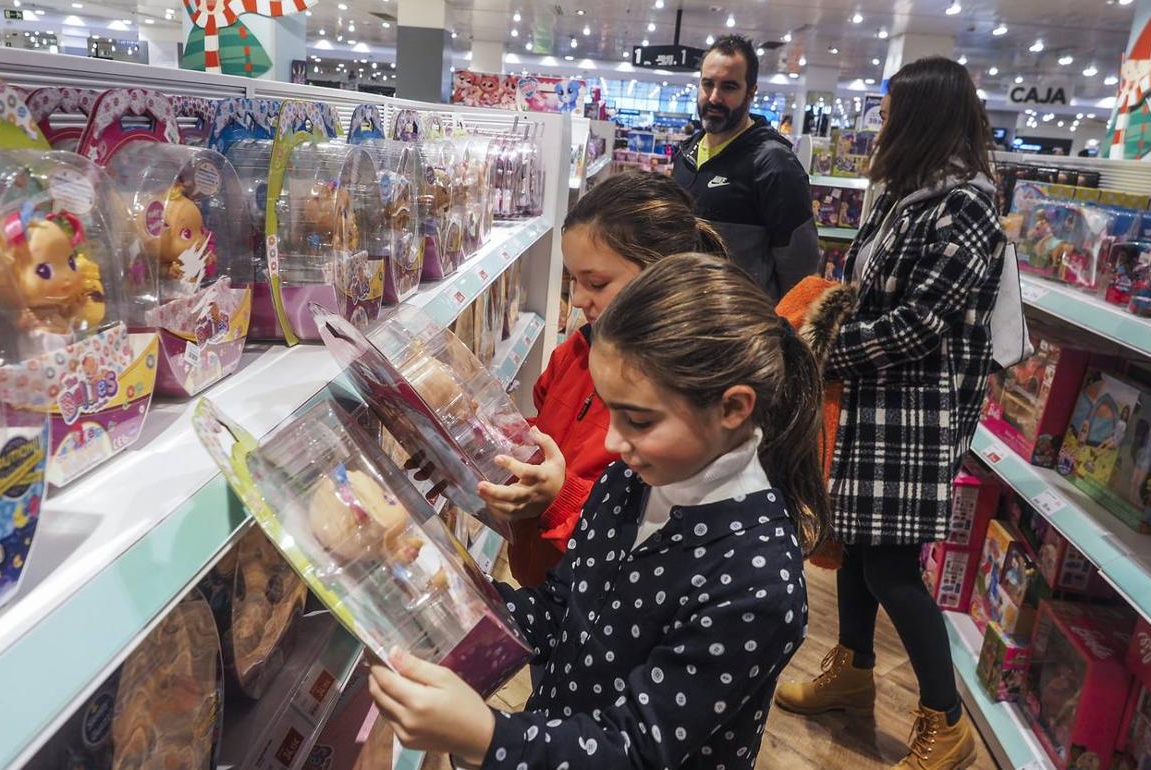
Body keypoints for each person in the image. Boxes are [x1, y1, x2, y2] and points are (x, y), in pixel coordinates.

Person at [368, 253, 830, 770]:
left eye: (637, 420)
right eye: (612, 411)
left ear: (732, 408)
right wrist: (454, 599)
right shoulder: (630, 480)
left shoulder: (757, 584)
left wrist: (487, 736)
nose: (613, 441)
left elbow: (636, 749)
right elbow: (563, 604)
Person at [773, 57, 1004, 770]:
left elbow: (922, 323)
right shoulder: (905, 194)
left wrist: (818, 354)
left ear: (924, 118)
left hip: (915, 412)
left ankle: (945, 717)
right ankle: (854, 669)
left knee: (893, 568)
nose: (880, 123)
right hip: (878, 402)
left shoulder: (963, 204)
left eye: (891, 111)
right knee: (855, 549)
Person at [477, 171, 727, 588]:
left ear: (662, 274)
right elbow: (550, 435)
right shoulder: (573, 353)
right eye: (572, 280)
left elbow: (654, 535)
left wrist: (560, 496)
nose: (576, 298)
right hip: (545, 590)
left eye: (595, 282)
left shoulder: (683, 393)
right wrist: (486, 444)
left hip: (606, 609)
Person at [674, 34, 821, 301]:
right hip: (685, 315)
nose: (715, 97)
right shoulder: (687, 152)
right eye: (708, 84)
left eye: (729, 87)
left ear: (752, 90)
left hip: (740, 329)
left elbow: (801, 266)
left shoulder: (774, 164)